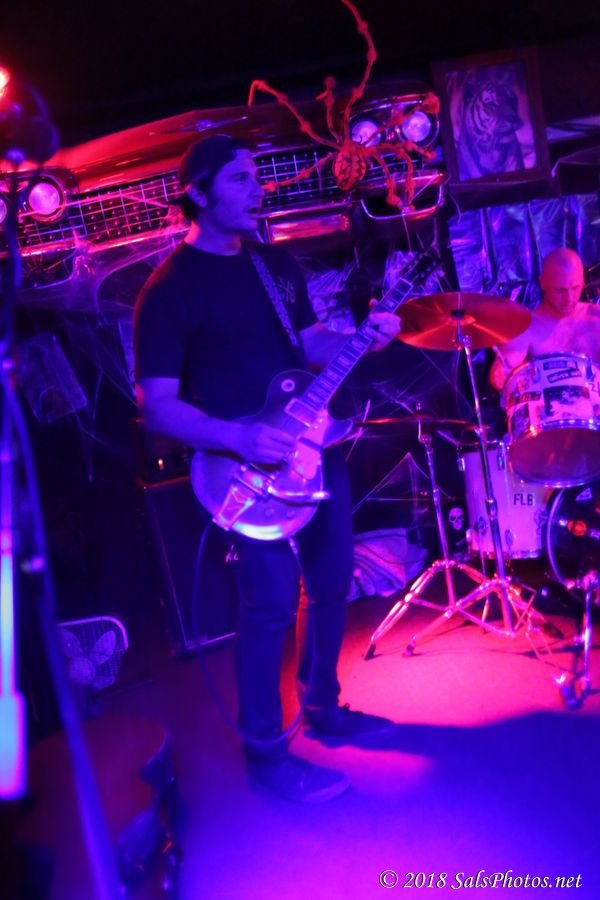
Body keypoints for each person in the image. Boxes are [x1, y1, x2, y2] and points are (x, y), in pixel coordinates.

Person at [134, 135, 401, 803]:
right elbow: (156, 405)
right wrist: (238, 436)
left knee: (333, 584)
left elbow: (309, 346)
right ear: (197, 192)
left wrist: (362, 338)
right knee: (271, 605)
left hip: (313, 449)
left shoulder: (274, 264)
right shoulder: (167, 291)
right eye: (241, 179)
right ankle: (266, 753)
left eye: (258, 177)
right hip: (240, 471)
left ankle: (324, 706)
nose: (259, 189)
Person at [490, 247, 599, 391]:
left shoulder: (596, 316)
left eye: (575, 288)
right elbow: (499, 377)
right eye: (560, 291)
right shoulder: (526, 327)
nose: (569, 298)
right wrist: (518, 379)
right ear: (543, 283)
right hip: (549, 403)